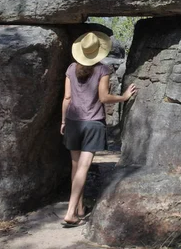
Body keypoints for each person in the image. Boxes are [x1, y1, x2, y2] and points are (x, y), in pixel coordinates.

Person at [60, 31, 137, 227]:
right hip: (93, 123)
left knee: (76, 167)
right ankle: (71, 211)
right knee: (83, 168)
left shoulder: (70, 69)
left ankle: (79, 208)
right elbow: (104, 98)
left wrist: (63, 122)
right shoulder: (102, 70)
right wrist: (123, 97)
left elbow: (67, 98)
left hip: (73, 122)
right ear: (97, 52)